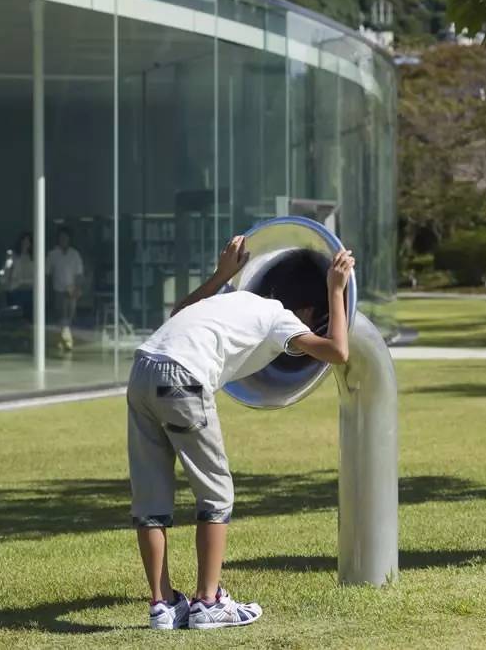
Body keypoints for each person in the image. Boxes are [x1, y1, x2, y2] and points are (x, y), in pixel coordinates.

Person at [127, 235, 355, 630]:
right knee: (216, 494)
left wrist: (220, 275)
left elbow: (178, 313)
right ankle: (209, 601)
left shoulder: (234, 298)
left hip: (142, 370)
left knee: (151, 497)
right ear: (304, 309)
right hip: (183, 378)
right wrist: (336, 290)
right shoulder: (281, 316)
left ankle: (162, 604)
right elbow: (337, 351)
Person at [46, 227, 84, 351]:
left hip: (71, 289)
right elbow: (47, 273)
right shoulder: (53, 254)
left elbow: (79, 273)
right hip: (58, 290)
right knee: (60, 315)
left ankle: (65, 339)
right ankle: (66, 340)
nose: (64, 240)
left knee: (70, 315)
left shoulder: (74, 254)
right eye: (61, 238)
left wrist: (77, 288)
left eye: (66, 238)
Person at [4, 232, 35, 320]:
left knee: (29, 317)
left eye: (28, 241)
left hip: (30, 291)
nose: (26, 243)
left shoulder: (34, 257)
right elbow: (7, 272)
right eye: (24, 241)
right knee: (16, 317)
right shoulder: (13, 256)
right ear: (20, 242)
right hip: (15, 291)